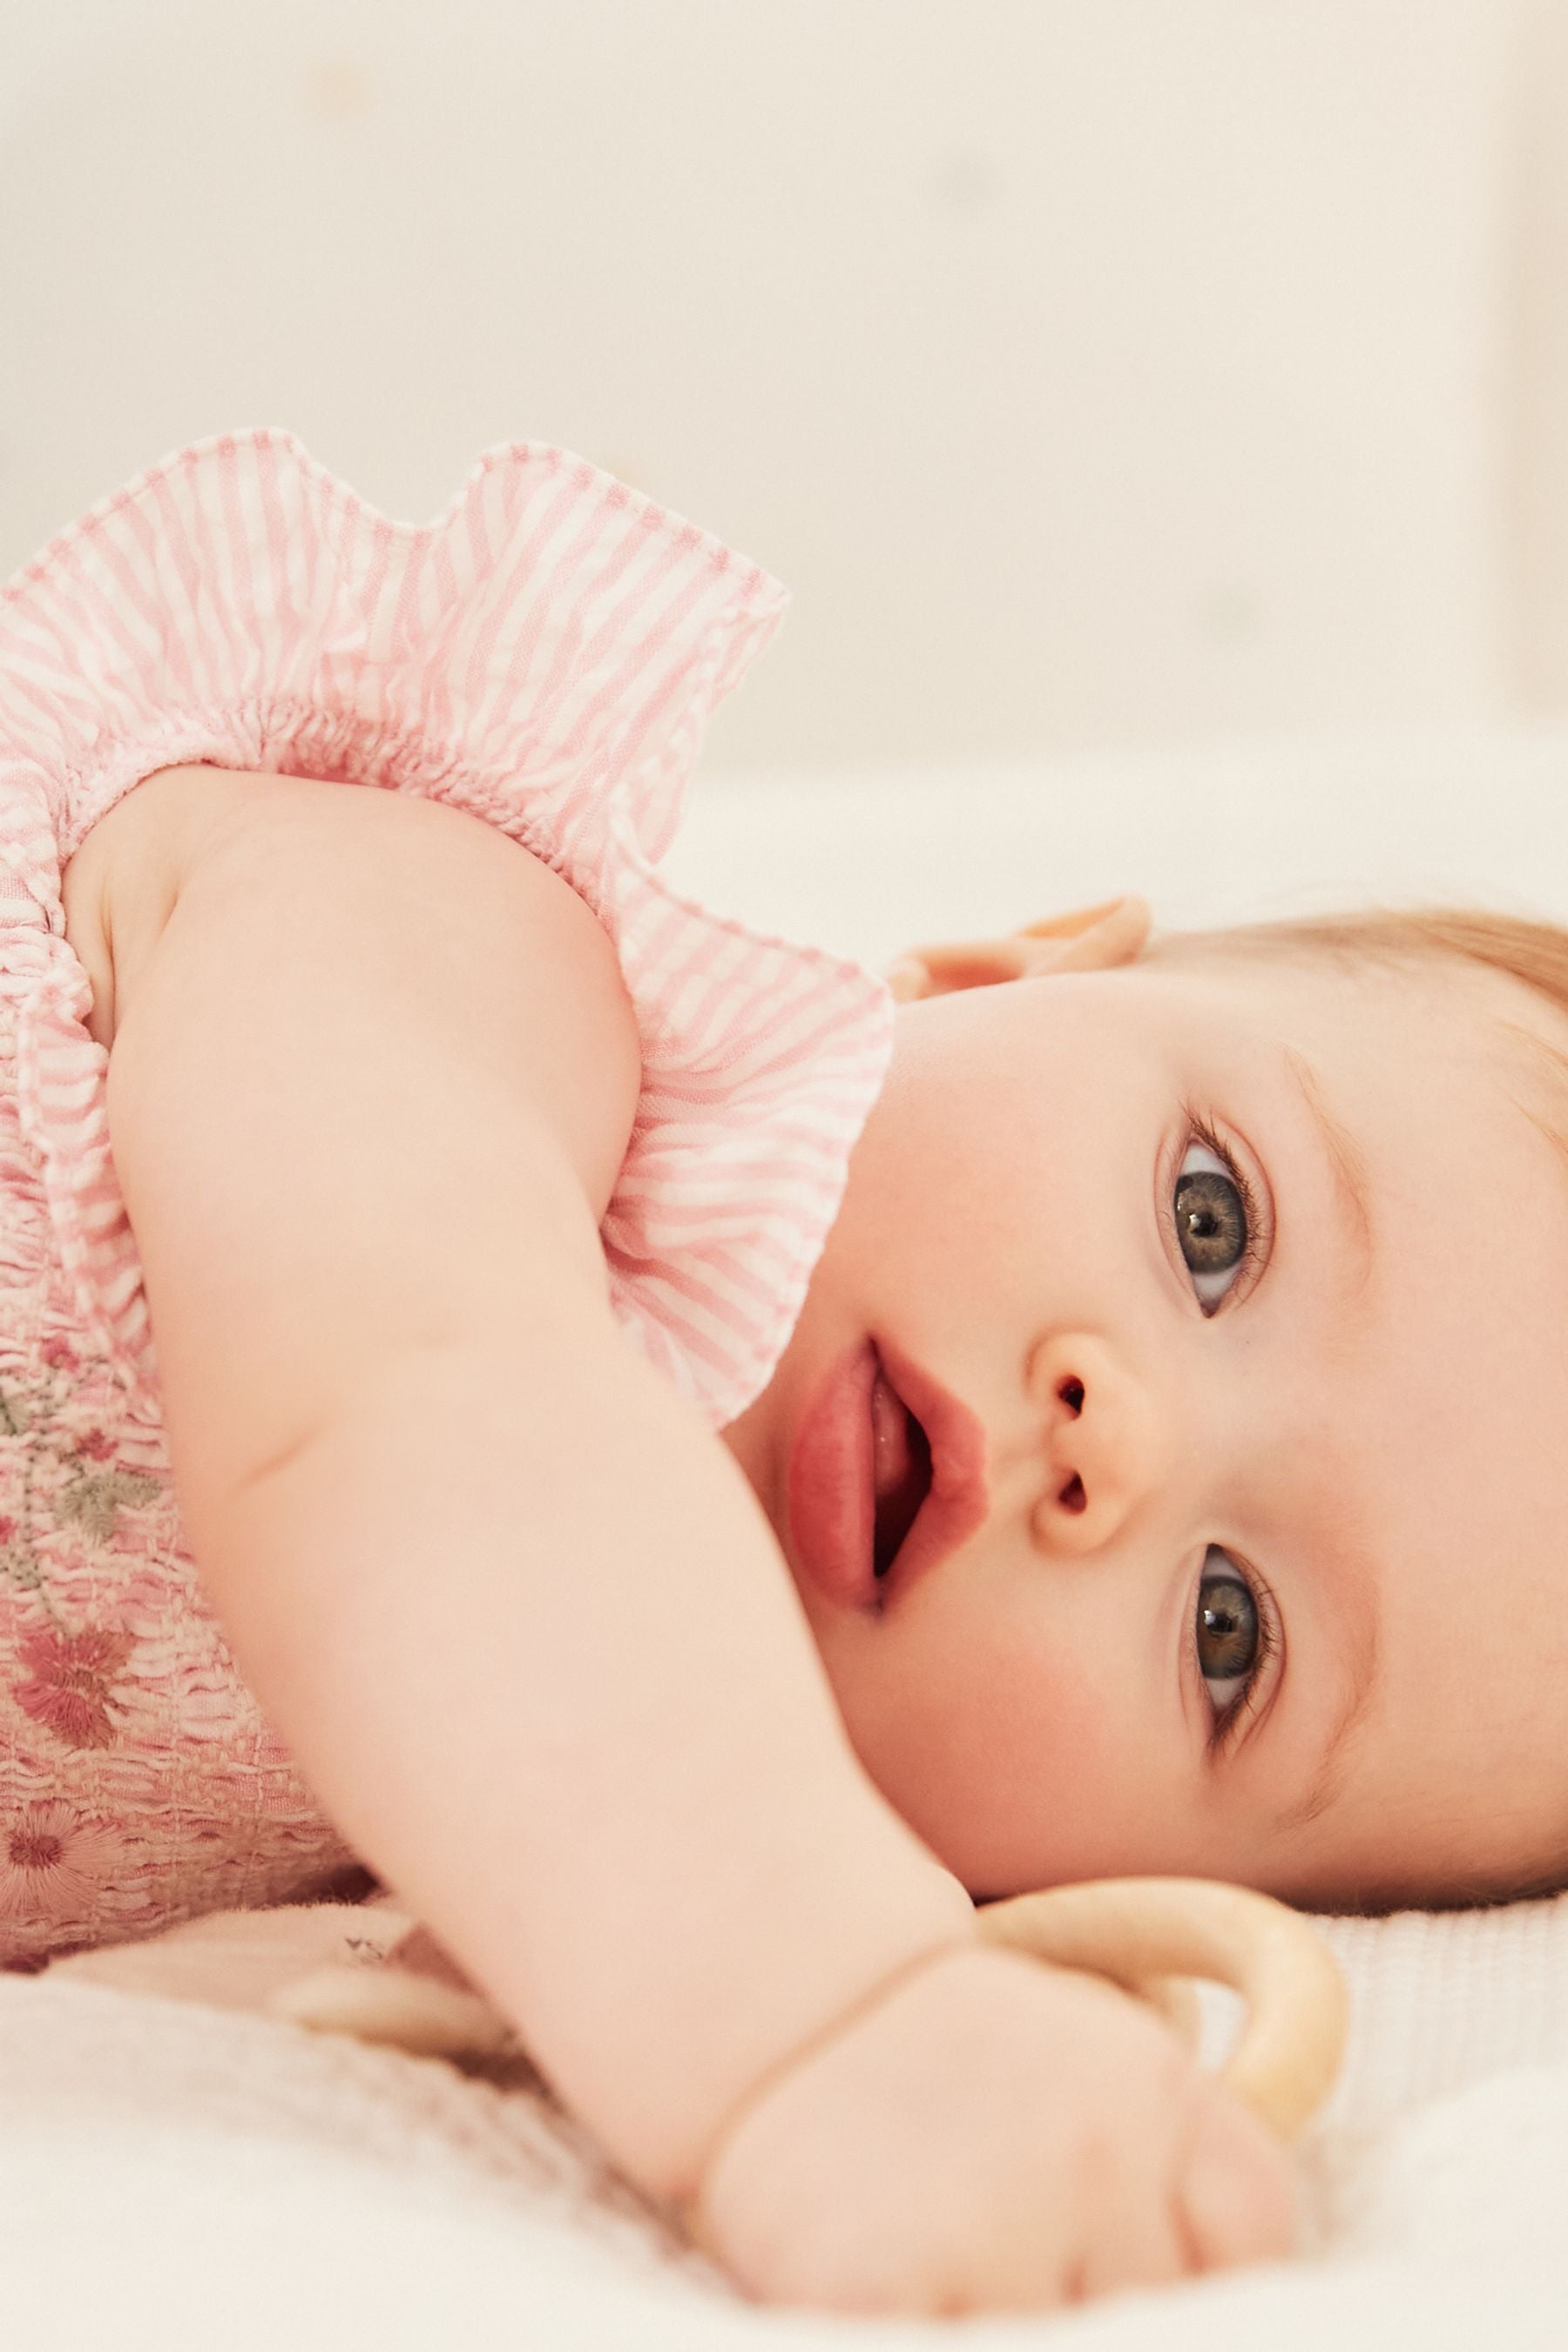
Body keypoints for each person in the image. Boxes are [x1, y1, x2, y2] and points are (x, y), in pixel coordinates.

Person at [2, 429, 1559, 2316]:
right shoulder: (460, 946)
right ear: (998, 977)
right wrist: (815, 2021)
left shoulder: (526, 1858)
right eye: (1210, 1222)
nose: (1116, 1438)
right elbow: (407, 1401)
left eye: (1230, 1636)